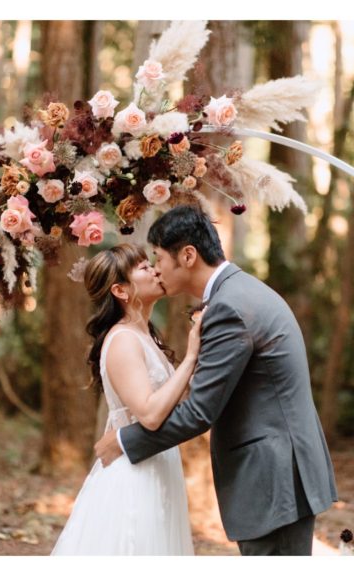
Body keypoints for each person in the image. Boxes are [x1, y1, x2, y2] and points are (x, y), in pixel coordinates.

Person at [94, 205, 338, 556]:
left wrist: (125, 441)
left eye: (159, 258)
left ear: (188, 255)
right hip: (281, 474)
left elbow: (199, 412)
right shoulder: (239, 292)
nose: (157, 269)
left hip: (275, 479)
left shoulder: (229, 307)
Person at [52, 244, 201, 555]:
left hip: (158, 463)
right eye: (144, 268)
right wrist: (190, 358)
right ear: (120, 290)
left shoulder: (146, 336)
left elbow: (177, 400)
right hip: (134, 475)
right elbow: (148, 413)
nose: (156, 270)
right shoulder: (122, 340)